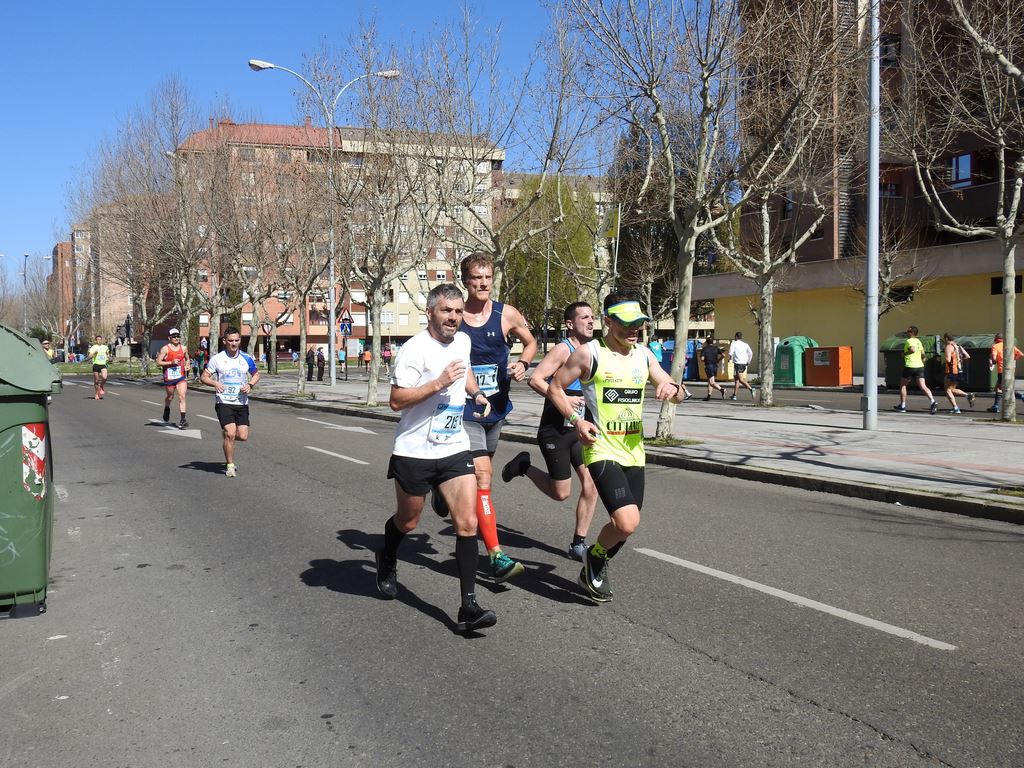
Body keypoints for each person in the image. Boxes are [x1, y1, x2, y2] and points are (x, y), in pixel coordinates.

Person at [548, 292, 688, 603]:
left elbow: (676, 391)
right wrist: (576, 419)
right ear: (608, 322)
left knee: (625, 527)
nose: (634, 330)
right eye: (626, 324)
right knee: (627, 521)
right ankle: (595, 559)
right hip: (601, 449)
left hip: (634, 451)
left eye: (639, 323)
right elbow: (555, 387)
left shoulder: (644, 355)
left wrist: (673, 388)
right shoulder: (588, 354)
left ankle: (594, 560)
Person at [375, 283, 497, 633]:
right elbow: (397, 400)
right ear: (430, 312)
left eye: (458, 312)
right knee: (408, 521)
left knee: (467, 523)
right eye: (446, 311)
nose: (453, 318)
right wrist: (438, 382)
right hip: (414, 450)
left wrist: (475, 392)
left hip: (453, 445)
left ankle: (468, 606)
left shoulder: (463, 341)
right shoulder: (415, 350)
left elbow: (465, 371)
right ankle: (387, 554)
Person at [436, 252, 536, 583]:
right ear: (466, 281)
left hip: (497, 409)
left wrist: (523, 363)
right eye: (476, 278)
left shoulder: (506, 314)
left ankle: (443, 486)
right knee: (483, 477)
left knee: (482, 479)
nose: (482, 283)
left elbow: (531, 342)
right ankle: (495, 555)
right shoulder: (456, 317)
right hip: (465, 408)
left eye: (488, 277)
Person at [501, 301, 599, 561]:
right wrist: (565, 397)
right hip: (555, 429)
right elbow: (536, 379)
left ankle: (579, 542)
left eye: (592, 317)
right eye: (584, 318)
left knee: (591, 484)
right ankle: (524, 467)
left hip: (580, 428)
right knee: (561, 493)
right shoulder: (562, 349)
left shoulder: (594, 351)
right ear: (570, 324)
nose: (591, 322)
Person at [201, 327, 260, 478]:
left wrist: (250, 385)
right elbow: (204, 377)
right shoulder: (218, 359)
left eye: (237, 340)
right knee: (231, 434)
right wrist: (215, 384)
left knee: (243, 436)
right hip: (224, 401)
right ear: (225, 341)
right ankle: (230, 465)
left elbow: (256, 374)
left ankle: (228, 435)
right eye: (231, 341)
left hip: (241, 402)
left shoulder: (246, 358)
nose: (234, 343)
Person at [894, 325, 938, 414]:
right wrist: (923, 360)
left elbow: (913, 350)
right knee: (923, 386)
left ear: (911, 333)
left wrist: (904, 354)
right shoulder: (918, 341)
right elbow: (923, 353)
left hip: (910, 366)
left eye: (908, 332)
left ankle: (902, 406)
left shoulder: (909, 341)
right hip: (919, 366)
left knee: (903, 385)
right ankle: (933, 401)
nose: (906, 333)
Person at [155, 328, 190, 428]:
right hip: (169, 377)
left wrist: (188, 365)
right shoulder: (165, 349)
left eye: (178, 336)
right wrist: (171, 362)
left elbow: (187, 359)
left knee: (182, 396)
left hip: (181, 376)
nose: (176, 338)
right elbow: (158, 363)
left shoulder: (183, 348)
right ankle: (167, 407)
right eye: (174, 336)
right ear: (169, 338)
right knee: (170, 396)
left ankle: (183, 420)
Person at [987, 332, 1024, 412]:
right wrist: (1013, 359)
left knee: (1002, 388)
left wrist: (993, 362)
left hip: (1001, 370)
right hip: (1010, 370)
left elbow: (993, 357)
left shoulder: (995, 346)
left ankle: (996, 406)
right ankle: (995, 405)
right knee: (1000, 387)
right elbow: (1021, 354)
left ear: (996, 339)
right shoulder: (1009, 345)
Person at [942, 333, 974, 414]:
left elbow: (948, 360)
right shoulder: (958, 346)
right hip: (958, 370)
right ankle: (968, 395)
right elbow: (967, 356)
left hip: (950, 370)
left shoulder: (949, 347)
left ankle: (955, 408)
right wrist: (959, 359)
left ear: (946, 338)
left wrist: (944, 359)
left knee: (948, 390)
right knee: (952, 389)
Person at [728, 331, 755, 400]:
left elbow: (730, 353)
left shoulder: (733, 343)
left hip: (738, 363)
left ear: (736, 337)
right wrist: (748, 362)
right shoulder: (745, 344)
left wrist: (729, 359)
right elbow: (751, 353)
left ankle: (751, 389)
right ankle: (734, 395)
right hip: (744, 364)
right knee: (736, 379)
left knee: (740, 379)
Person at [86, 334, 110, 400]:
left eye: (100, 339)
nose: (99, 341)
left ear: (101, 340)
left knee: (104, 377)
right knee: (96, 381)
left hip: (103, 364)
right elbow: (90, 355)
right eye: (98, 339)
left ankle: (101, 386)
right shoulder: (93, 347)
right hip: (96, 365)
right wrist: (89, 357)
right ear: (96, 340)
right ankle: (96, 393)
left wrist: (110, 358)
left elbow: (108, 355)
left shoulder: (105, 347)